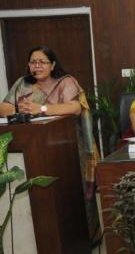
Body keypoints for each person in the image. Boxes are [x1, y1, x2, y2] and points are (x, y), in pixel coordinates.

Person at [0, 45, 100, 238]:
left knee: (72, 192)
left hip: (65, 146)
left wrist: (42, 109)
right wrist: (20, 111)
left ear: (52, 64)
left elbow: (75, 108)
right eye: (32, 62)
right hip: (33, 147)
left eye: (42, 62)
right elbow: (4, 106)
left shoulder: (66, 81)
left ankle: (85, 236)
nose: (36, 66)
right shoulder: (22, 83)